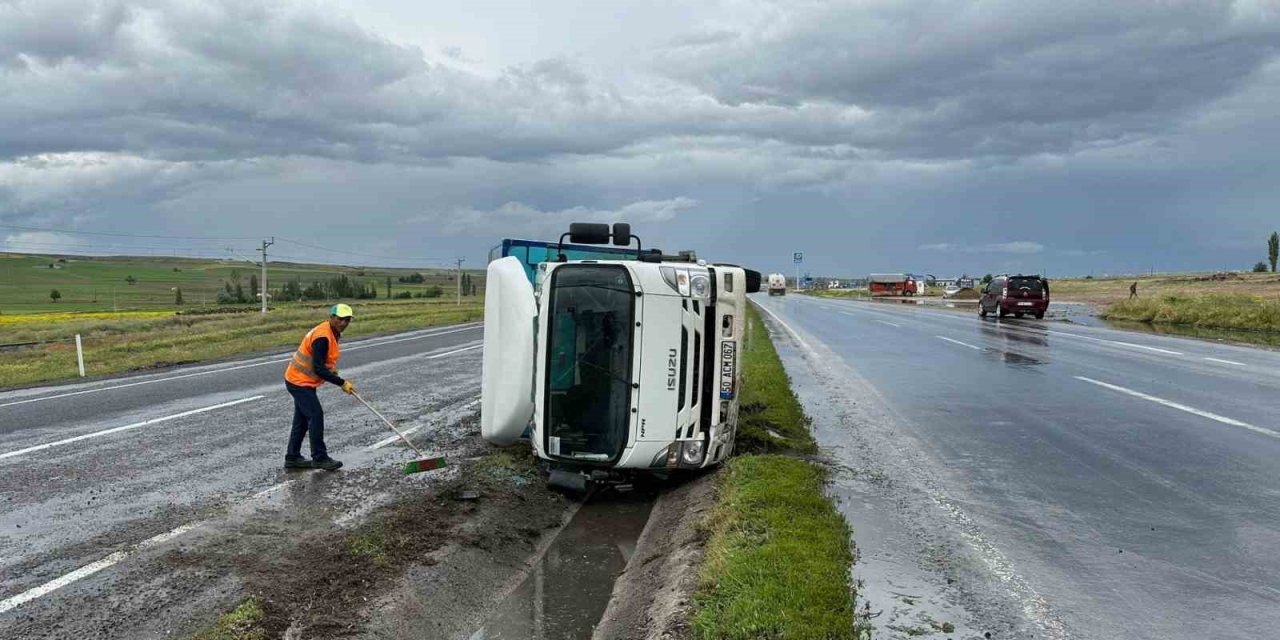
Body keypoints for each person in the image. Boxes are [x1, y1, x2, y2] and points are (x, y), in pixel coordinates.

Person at [283, 303, 356, 471]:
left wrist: (330, 370)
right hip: (298, 381)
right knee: (315, 415)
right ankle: (320, 457)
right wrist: (341, 382)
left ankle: (292, 457)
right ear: (332, 318)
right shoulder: (323, 336)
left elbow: (321, 362)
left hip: (303, 380)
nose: (343, 323)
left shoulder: (332, 332)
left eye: (347, 320)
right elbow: (318, 368)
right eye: (340, 319)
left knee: (301, 420)